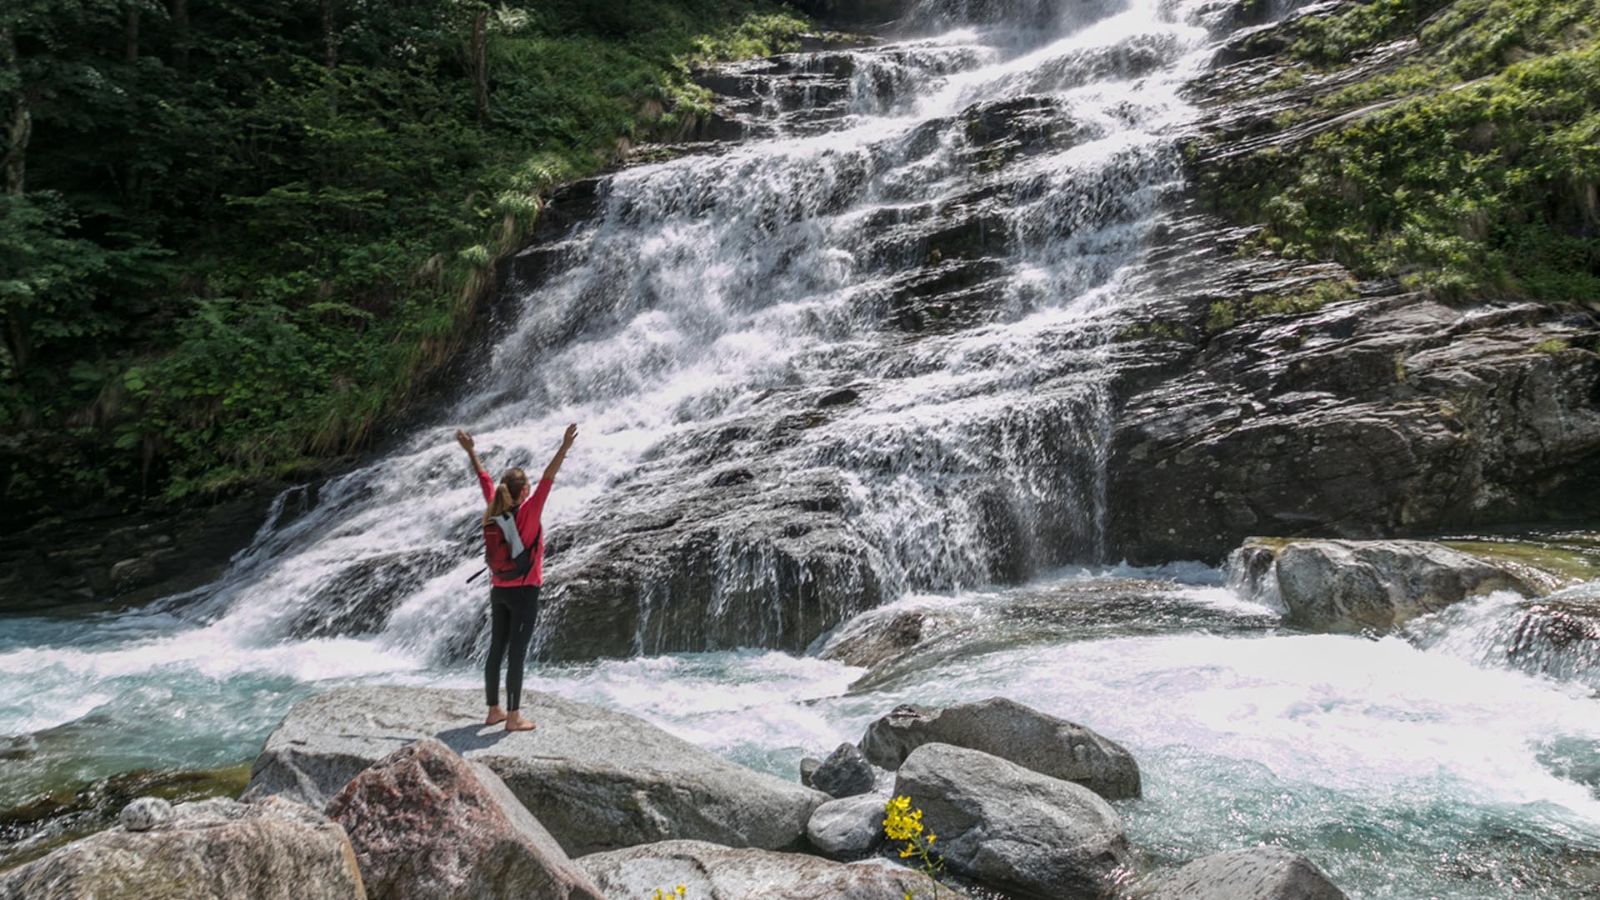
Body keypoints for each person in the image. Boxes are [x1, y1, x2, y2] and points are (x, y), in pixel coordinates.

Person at [456, 424, 576, 732]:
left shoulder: (494, 506)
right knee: (517, 654)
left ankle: (492, 711)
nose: (532, 490)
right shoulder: (530, 510)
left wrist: (471, 451)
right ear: (524, 492)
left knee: (496, 648)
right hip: (525, 591)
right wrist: (564, 447)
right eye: (528, 487)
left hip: (498, 589)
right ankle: (513, 717)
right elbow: (549, 477)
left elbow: (484, 479)